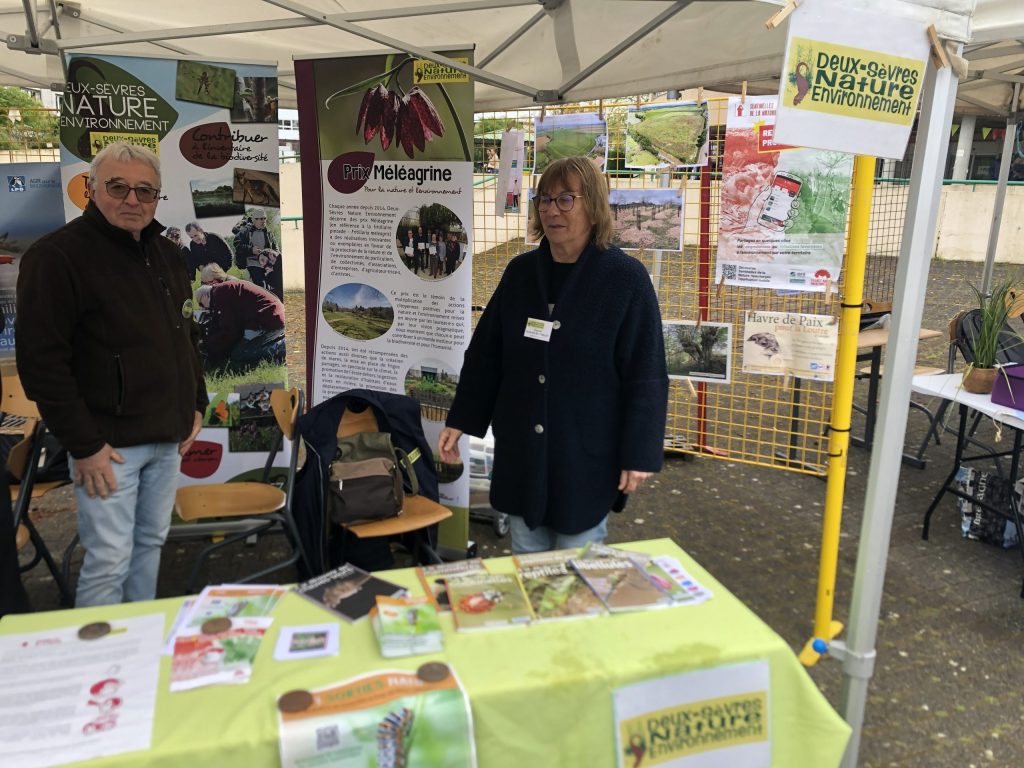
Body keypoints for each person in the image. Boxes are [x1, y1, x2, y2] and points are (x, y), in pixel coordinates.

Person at [437, 156, 668, 554]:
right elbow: (487, 356)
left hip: (584, 458)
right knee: (526, 563)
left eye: (566, 199)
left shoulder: (625, 280)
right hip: (522, 456)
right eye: (544, 199)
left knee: (574, 568)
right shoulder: (521, 273)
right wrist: (461, 420)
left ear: (593, 206)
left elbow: (645, 374)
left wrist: (639, 453)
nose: (551, 210)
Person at [16, 142, 206, 607]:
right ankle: (99, 651)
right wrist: (85, 446)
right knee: (109, 561)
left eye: (145, 190)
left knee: (150, 546)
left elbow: (187, 334)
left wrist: (196, 405)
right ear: (92, 189)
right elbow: (42, 366)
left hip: (168, 438)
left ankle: (137, 643)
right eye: (118, 187)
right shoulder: (56, 257)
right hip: (108, 449)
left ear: (157, 196)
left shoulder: (166, 252)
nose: (132, 199)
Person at [195, 279, 285, 374]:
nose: (203, 308)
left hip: (269, 318)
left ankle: (281, 348)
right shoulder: (223, 290)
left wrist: (205, 344)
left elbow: (230, 331)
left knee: (240, 353)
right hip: (271, 314)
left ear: (205, 296)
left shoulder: (219, 295)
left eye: (201, 304)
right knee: (240, 348)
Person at [233, 208, 282, 299]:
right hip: (252, 262)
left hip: (267, 263)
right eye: (261, 219)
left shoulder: (268, 232)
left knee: (272, 285)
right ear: (254, 220)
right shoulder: (245, 231)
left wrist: (274, 255)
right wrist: (251, 250)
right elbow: (237, 244)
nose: (263, 221)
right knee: (261, 284)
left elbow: (276, 248)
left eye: (265, 218)